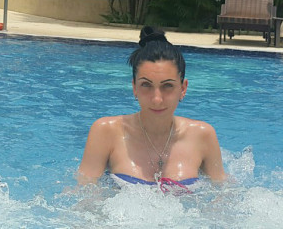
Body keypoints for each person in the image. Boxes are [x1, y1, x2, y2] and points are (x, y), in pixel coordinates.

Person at [77, 26, 226, 190]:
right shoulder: (106, 132)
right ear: (134, 87)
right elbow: (84, 193)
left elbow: (223, 194)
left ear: (183, 88)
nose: (156, 99)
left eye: (167, 86)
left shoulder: (203, 135)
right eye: (146, 85)